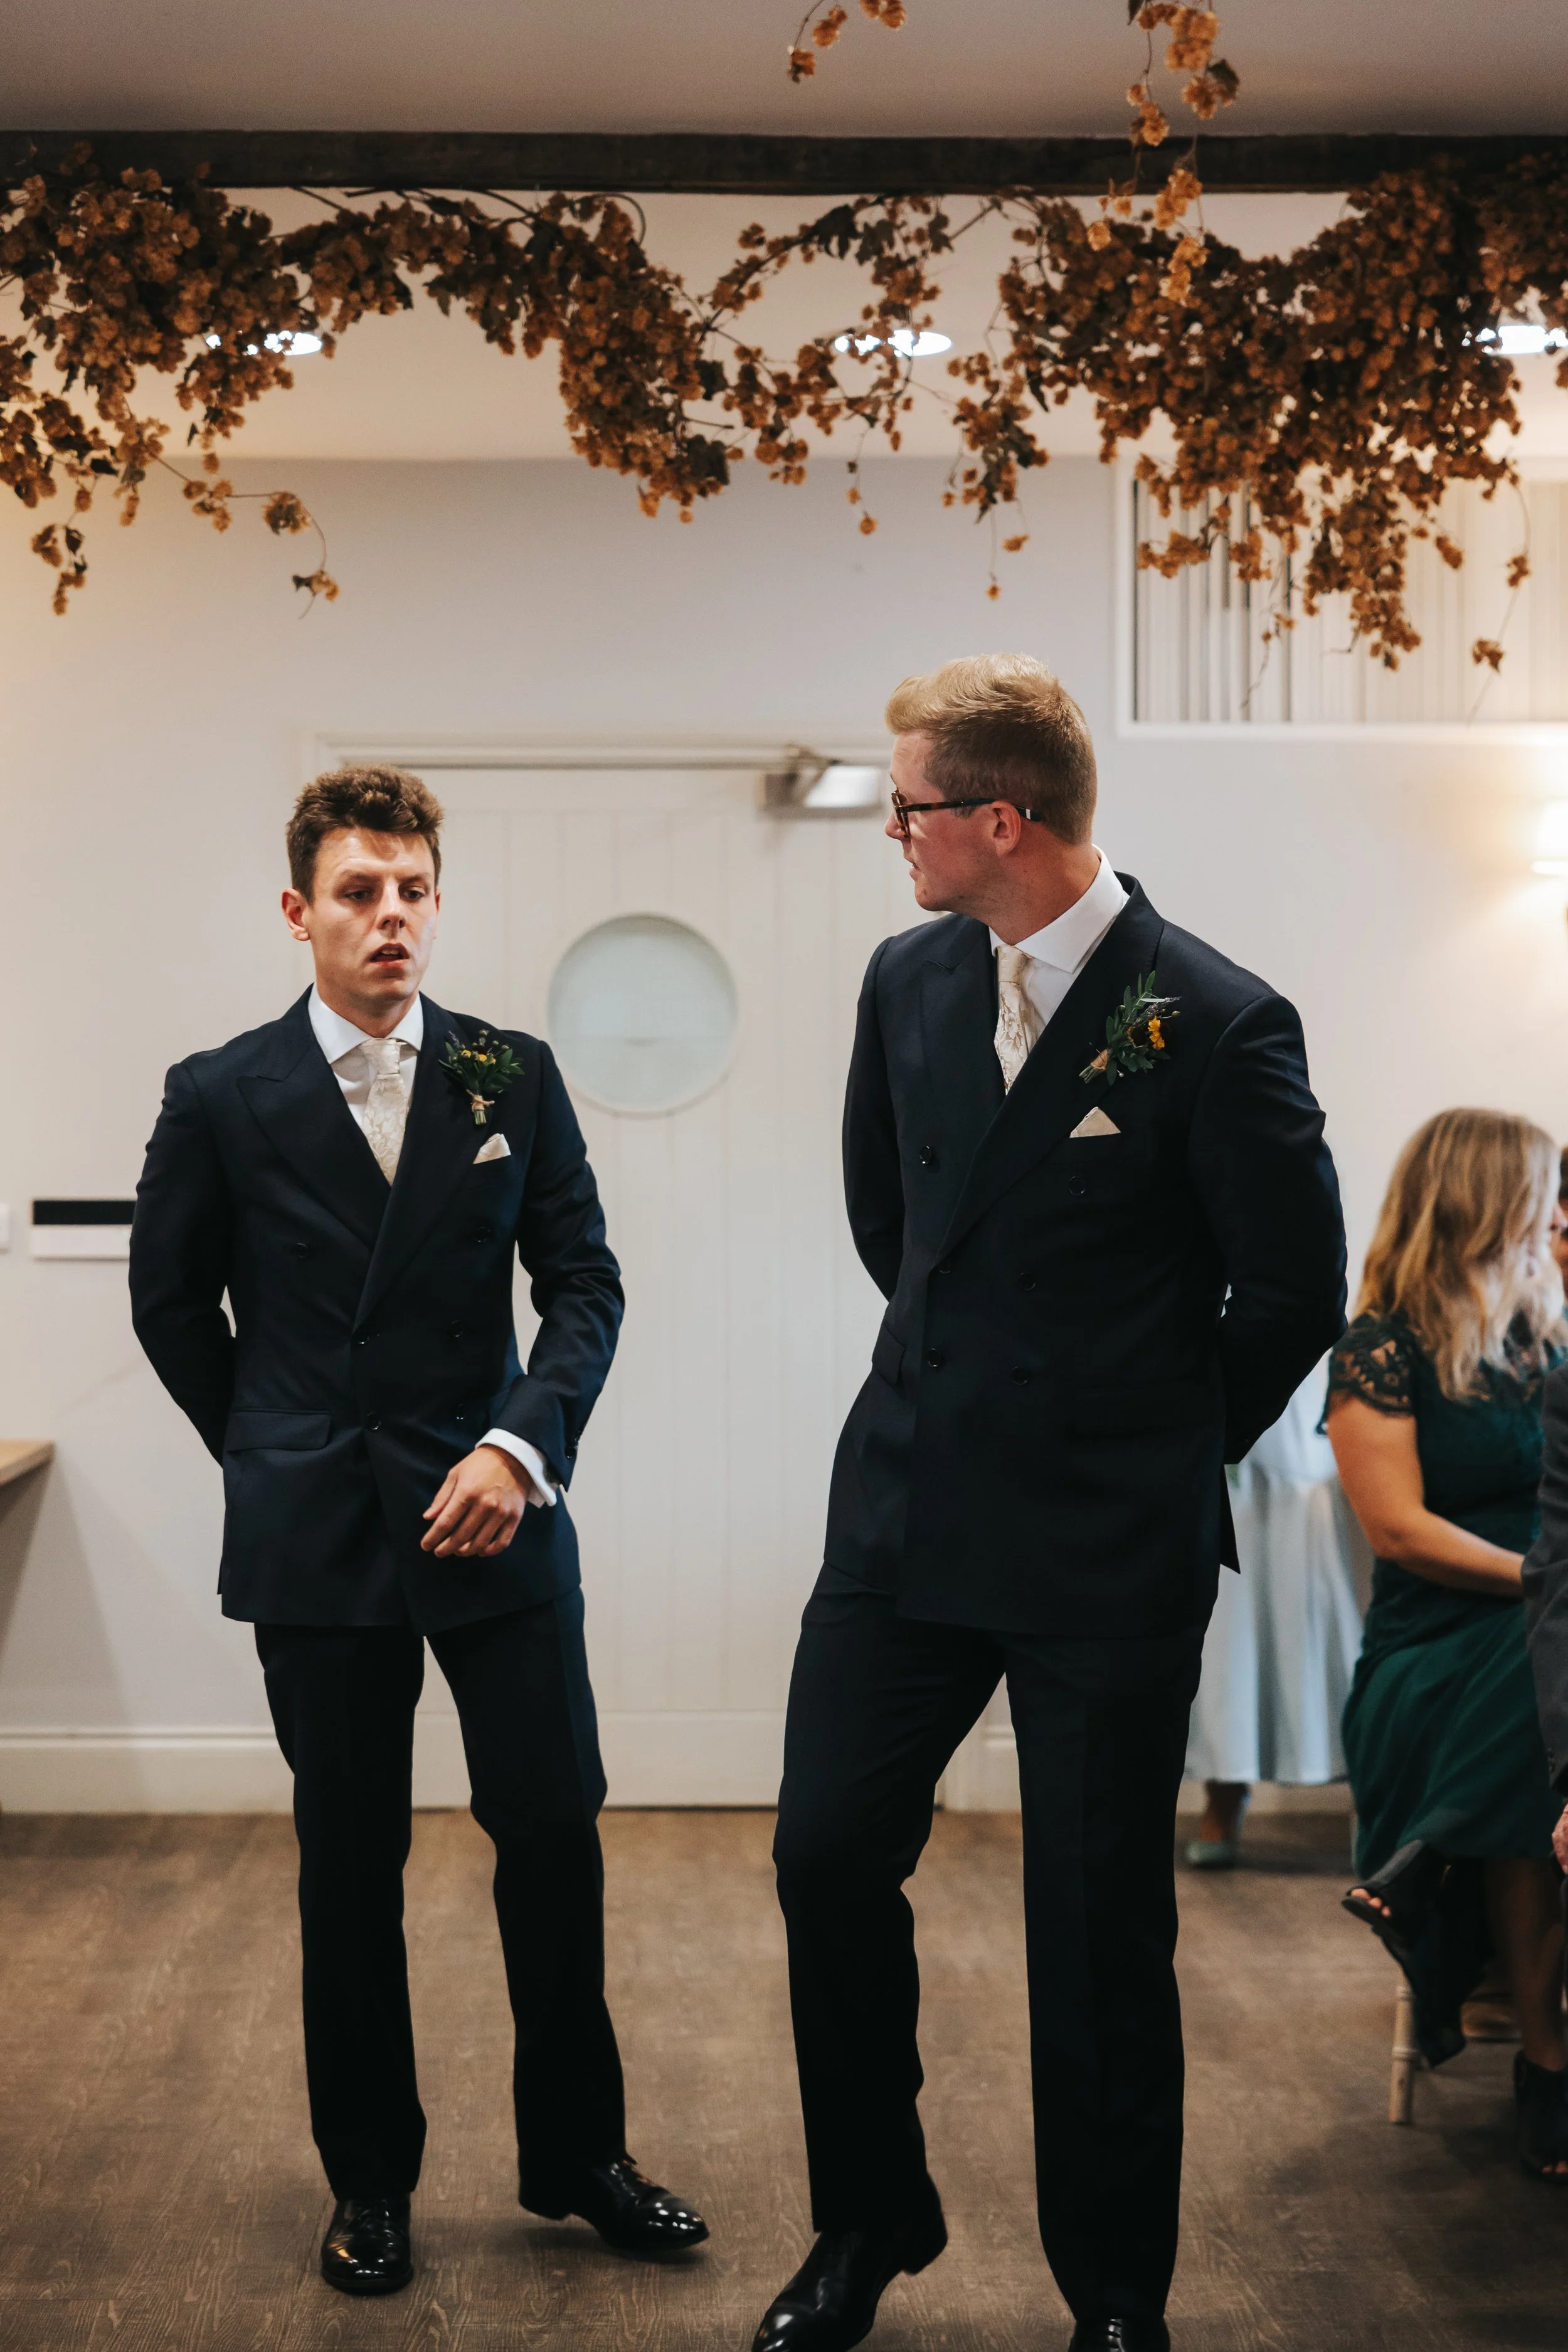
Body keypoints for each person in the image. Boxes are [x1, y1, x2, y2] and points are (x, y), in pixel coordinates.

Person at [750, 655, 1346, 2352]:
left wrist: (1155, 1444)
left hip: (1106, 1545)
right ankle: (870, 2215)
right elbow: (893, 1223)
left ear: (1000, 819)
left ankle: (1114, 2294)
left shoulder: (1214, 1016)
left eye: (908, 807)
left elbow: (1291, 1288)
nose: (895, 831)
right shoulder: (906, 977)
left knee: (1096, 1928)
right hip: (905, 1508)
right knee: (823, 1854)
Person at [129, 766, 706, 2296]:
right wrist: (275, 1449)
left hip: (492, 1514)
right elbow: (171, 1303)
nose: (390, 916)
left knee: (554, 1835)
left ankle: (579, 2156)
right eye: (359, 892)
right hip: (321, 1535)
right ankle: (371, 2181)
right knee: (348, 1863)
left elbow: (583, 1284)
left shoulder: (510, 1072)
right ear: (299, 910)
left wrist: (518, 1444)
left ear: (438, 903)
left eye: (412, 890)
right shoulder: (220, 1091)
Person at [1329, 1110, 1568, 2177]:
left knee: (1546, 1663)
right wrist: (1540, 1581)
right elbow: (1399, 1531)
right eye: (1546, 1194)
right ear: (1488, 1199)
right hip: (1436, 1638)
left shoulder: (1552, 1335)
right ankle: (1551, 2062)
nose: (1559, 1217)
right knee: (1540, 1668)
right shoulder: (1380, 1348)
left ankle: (1429, 1856)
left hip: (1544, 1622)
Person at [1182, 1367, 1363, 1868]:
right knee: (1226, 1631)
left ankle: (1371, 1802)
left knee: (1318, 1620)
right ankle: (1223, 1791)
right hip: (1215, 1422)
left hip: (1305, 1425)